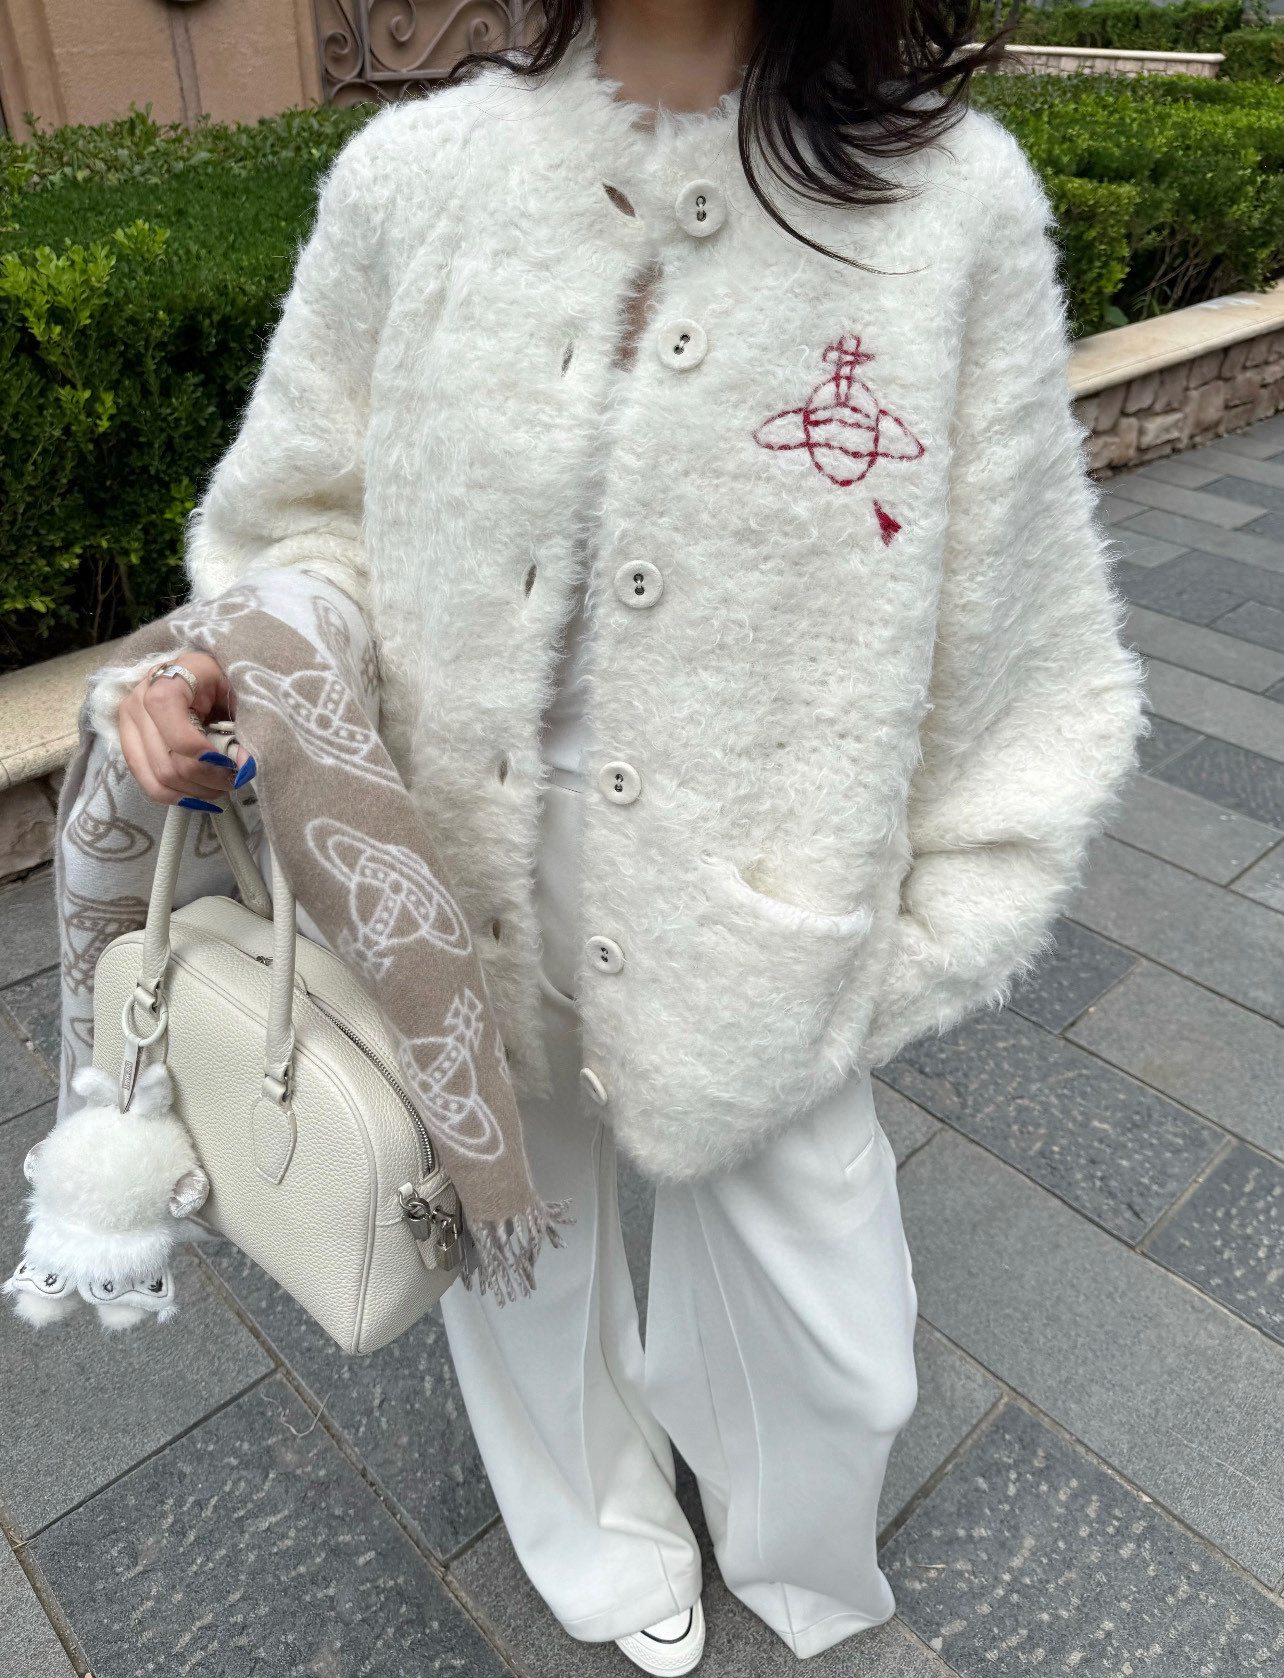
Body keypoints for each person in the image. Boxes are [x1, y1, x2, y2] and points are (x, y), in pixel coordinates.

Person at [110, 0, 1146, 1668]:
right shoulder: (412, 178)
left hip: (761, 887)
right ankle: (596, 1536)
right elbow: (302, 518)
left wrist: (922, 924)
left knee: (834, 1323)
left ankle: (787, 1525)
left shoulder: (949, 206)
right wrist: (226, 660)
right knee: (520, 1246)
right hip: (459, 860)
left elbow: (1008, 607)